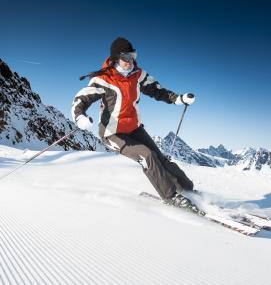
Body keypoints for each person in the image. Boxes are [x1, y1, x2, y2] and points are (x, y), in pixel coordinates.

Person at [72, 37, 197, 211]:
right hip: (113, 133)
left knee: (161, 159)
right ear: (116, 58)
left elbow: (157, 91)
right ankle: (171, 197)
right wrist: (80, 117)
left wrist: (178, 98)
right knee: (148, 157)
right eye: (126, 57)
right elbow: (80, 100)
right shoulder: (103, 79)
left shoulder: (138, 75)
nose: (130, 61)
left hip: (134, 128)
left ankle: (189, 191)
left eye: (133, 56)